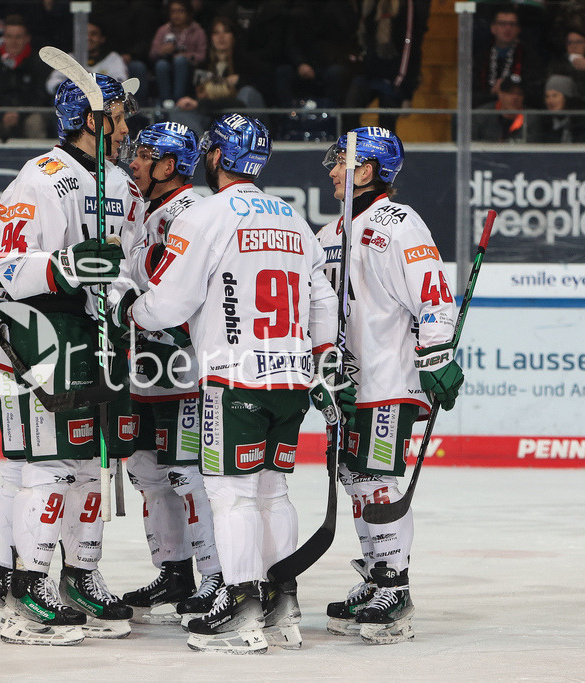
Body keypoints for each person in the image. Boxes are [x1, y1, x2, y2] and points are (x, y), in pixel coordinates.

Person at [124, 113, 341, 654]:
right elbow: (322, 301)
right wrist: (320, 361)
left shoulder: (207, 215)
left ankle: (242, 609)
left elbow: (171, 303)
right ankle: (281, 606)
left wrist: (131, 307)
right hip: (291, 378)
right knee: (273, 492)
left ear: (219, 156)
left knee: (232, 496)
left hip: (234, 379)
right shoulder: (293, 217)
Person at [0, 73, 143, 645]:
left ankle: (79, 574)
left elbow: (130, 267)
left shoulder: (123, 185)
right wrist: (67, 266)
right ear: (91, 120)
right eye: (117, 117)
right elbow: (6, 266)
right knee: (45, 468)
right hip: (44, 338)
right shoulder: (41, 178)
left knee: (89, 467)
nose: (126, 127)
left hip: (100, 340)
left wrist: (123, 299)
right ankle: (25, 587)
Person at [317, 126, 463, 645]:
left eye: (341, 161)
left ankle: (395, 586)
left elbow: (433, 295)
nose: (332, 170)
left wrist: (437, 356)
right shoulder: (329, 233)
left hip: (387, 380)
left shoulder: (399, 223)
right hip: (347, 384)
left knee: (376, 480)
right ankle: (377, 575)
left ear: (366, 170)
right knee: (355, 478)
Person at [113, 122, 225, 627]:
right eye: (134, 152)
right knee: (147, 472)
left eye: (145, 155)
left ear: (170, 165)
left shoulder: (193, 212)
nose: (133, 161)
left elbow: (184, 290)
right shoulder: (142, 209)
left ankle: (217, 575)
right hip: (142, 366)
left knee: (189, 474)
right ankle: (174, 572)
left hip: (185, 370)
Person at [343, 0, 429, 132]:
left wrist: (406, 91)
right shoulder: (367, 5)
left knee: (386, 126)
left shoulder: (405, 5)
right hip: (368, 72)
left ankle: (383, 145)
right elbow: (359, 35)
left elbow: (409, 47)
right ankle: (358, 144)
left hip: (393, 77)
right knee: (349, 112)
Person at [0, 14, 50, 140]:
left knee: (36, 122)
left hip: (28, 115)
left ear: (27, 38)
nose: (13, 41)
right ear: (3, 38)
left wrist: (20, 114)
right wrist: (3, 114)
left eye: (18, 37)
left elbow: (40, 95)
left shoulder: (39, 65)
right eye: (9, 36)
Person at [472, 4, 544, 109]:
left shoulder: (529, 56)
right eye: (502, 24)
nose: (508, 28)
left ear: (518, 29)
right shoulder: (481, 56)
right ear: (493, 28)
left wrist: (512, 90)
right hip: (485, 108)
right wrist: (492, 92)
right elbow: (472, 93)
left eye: (512, 24)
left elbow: (534, 93)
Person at [148, 0, 207, 108]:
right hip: (167, 68)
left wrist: (185, 56)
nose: (176, 15)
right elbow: (152, 54)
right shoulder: (163, 30)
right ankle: (166, 103)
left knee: (180, 61)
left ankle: (179, 101)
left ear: (188, 13)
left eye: (180, 11)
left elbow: (202, 55)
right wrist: (162, 50)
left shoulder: (197, 31)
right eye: (173, 11)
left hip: (188, 71)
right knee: (161, 65)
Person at [527, 73, 585, 143]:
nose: (550, 101)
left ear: (567, 98)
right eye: (547, 96)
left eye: (554, 96)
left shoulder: (581, 124)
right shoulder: (542, 125)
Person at [471, 73, 527, 142]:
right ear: (500, 94)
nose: (515, 97)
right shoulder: (481, 116)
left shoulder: (531, 119)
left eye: (519, 93)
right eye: (510, 93)